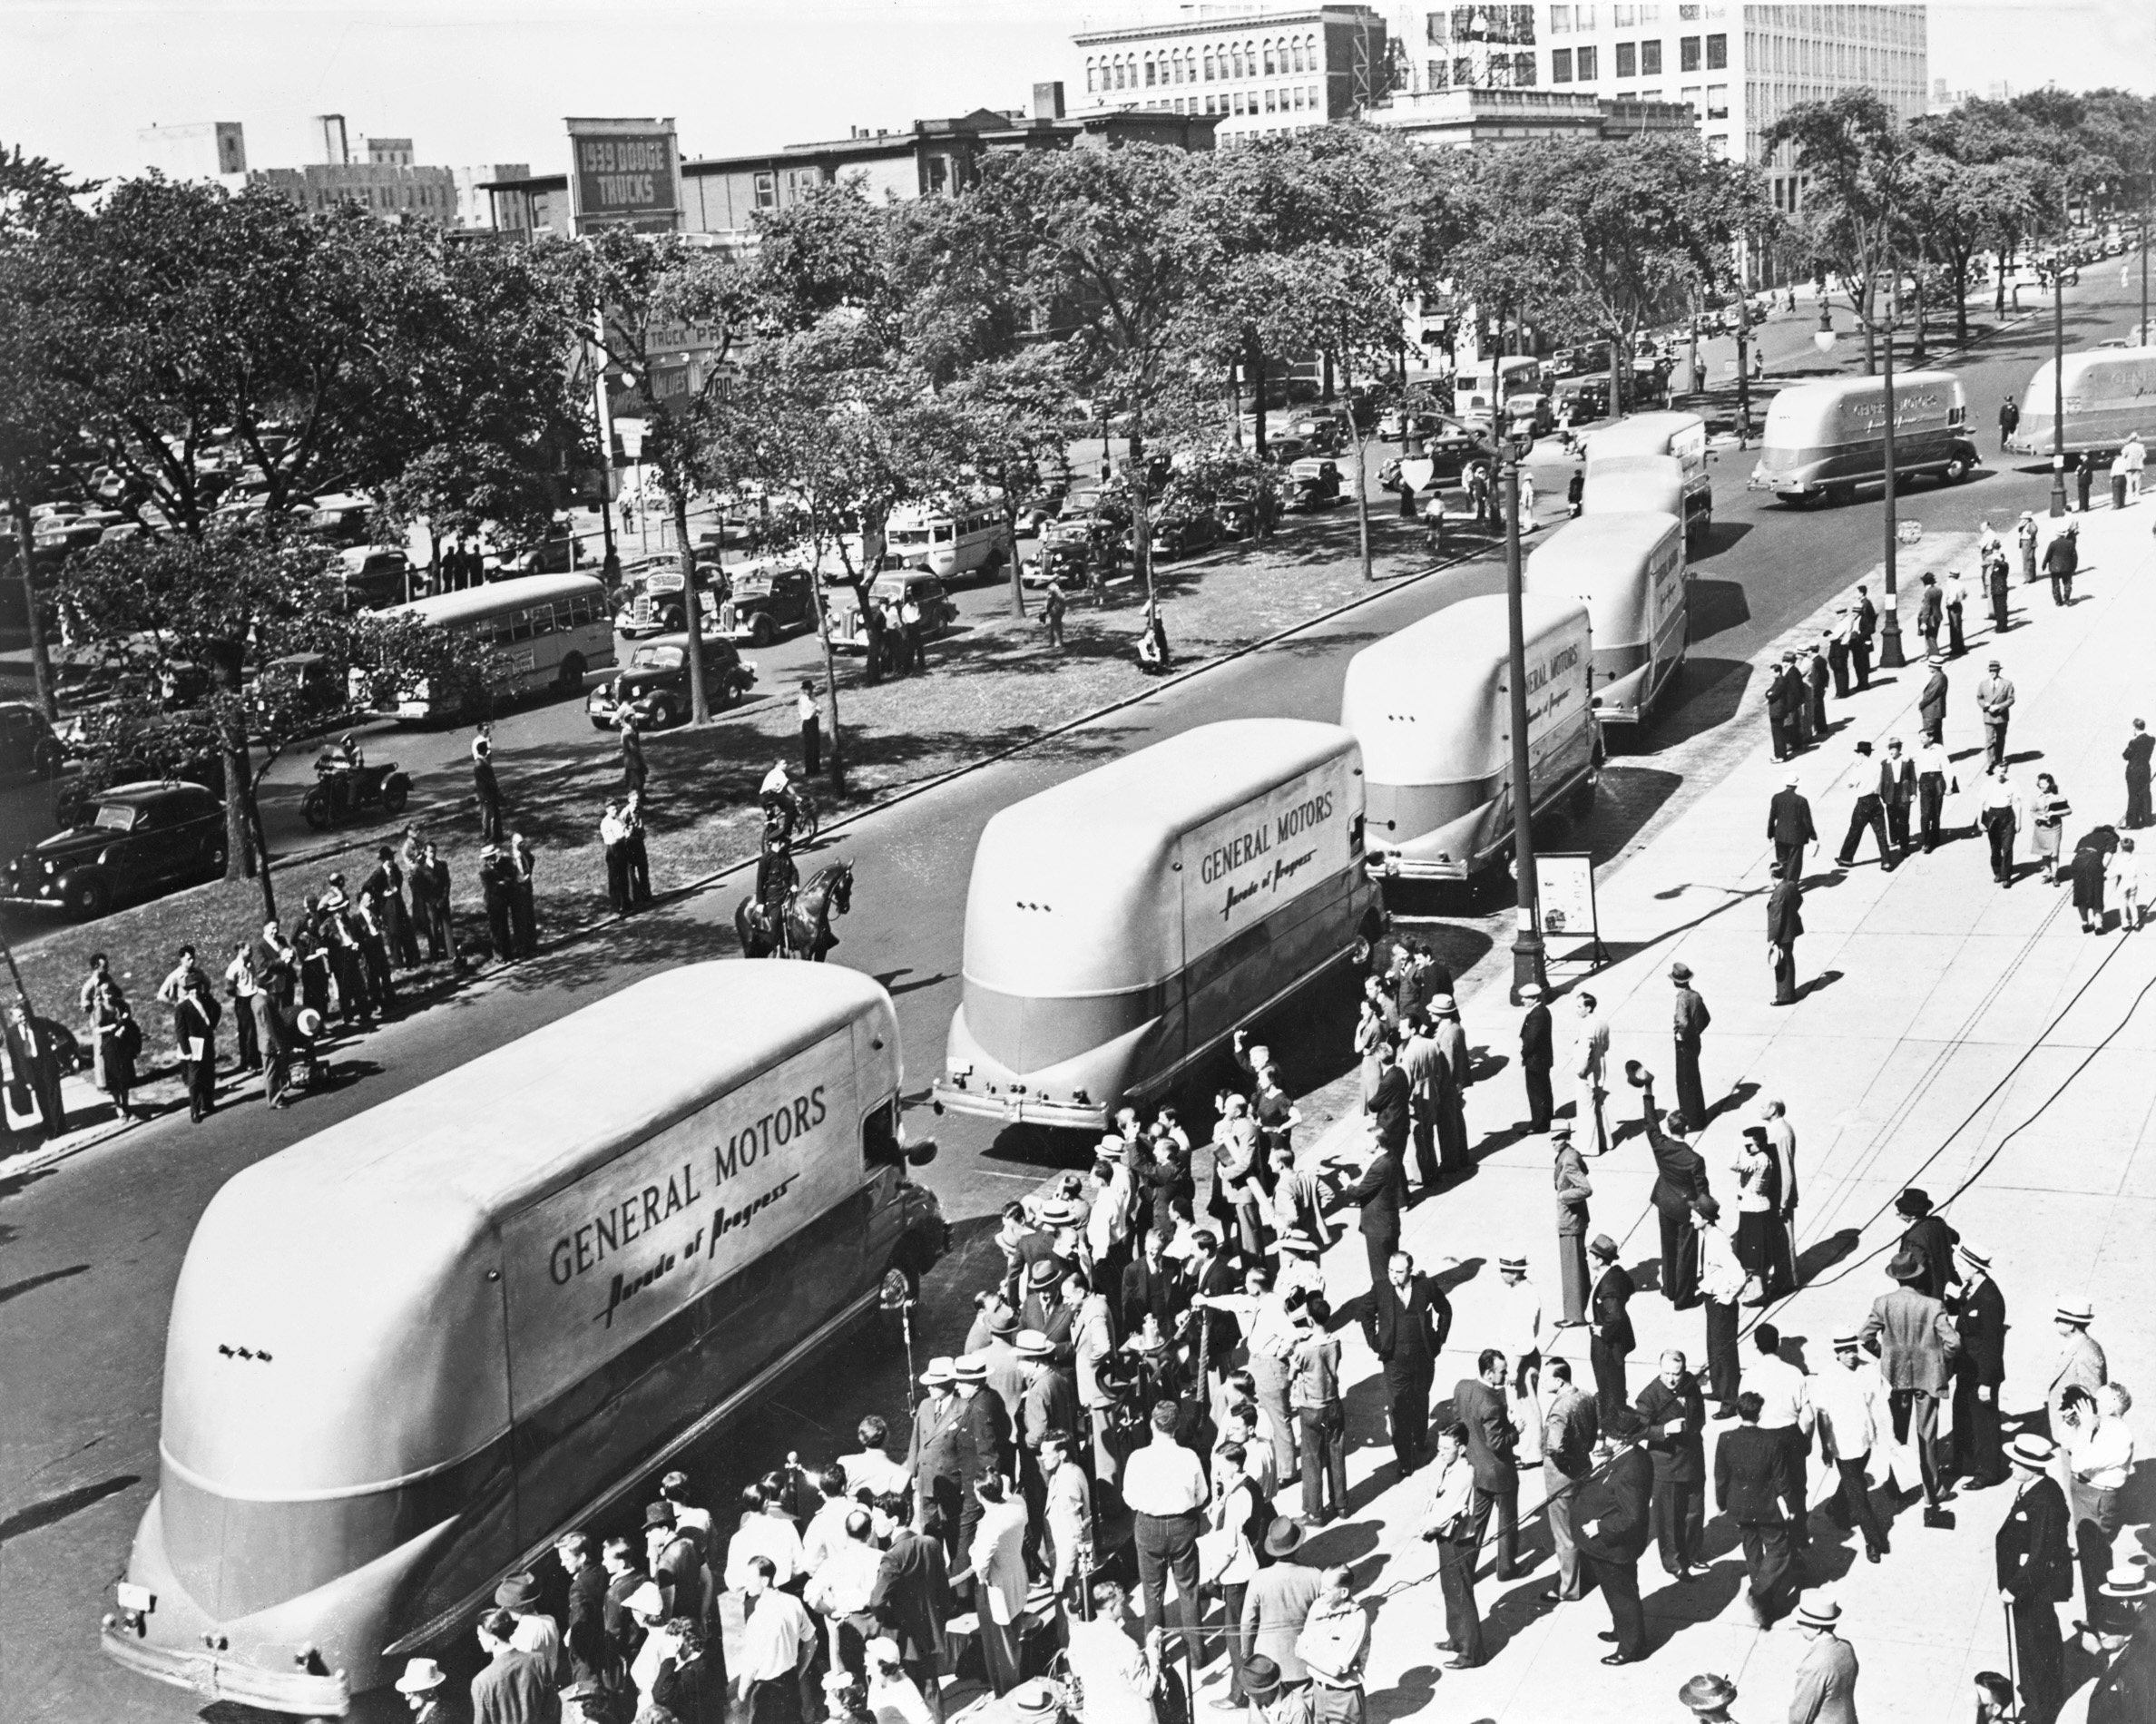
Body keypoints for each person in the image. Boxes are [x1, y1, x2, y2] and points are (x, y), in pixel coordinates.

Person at [1861, 1244, 1962, 1527]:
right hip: (1926, 1378)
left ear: (1896, 1278)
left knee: (1898, 1434)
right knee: (1927, 1436)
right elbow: (1953, 1342)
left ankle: (1897, 1485)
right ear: (1917, 1277)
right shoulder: (1932, 1306)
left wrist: (1884, 1356)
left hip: (1896, 1377)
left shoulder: (1883, 1303)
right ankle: (1934, 1491)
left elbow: (1865, 1336)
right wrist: (1941, 1362)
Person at [1996, 1433, 2073, 1724]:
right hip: (2027, 1585)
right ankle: (2034, 1695)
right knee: (2033, 1644)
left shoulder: (2043, 1500)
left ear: (2031, 1465)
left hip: (2031, 1589)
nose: (2011, 1466)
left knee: (2035, 1647)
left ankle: (2039, 1711)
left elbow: (2041, 1555)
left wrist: (2013, 1589)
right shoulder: (2035, 1487)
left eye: (2016, 1462)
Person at [1575, 1406, 1655, 1665]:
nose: (1603, 1440)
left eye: (1608, 1436)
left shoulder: (1633, 1467)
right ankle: (1622, 1631)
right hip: (1605, 1548)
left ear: (1622, 1439)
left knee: (1623, 1596)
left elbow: (1632, 1516)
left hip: (1613, 1547)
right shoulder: (1624, 1456)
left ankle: (1632, 1648)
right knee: (1616, 1594)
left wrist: (1601, 1527)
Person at [1717, 1390, 1798, 1626]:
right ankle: (1760, 1594)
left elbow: (1721, 1476)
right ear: (1759, 1413)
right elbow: (1782, 1479)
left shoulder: (1725, 1438)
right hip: (1766, 1506)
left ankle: (1764, 1607)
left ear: (1739, 1412)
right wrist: (1791, 1506)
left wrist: (1722, 1503)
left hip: (1739, 1505)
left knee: (1752, 1551)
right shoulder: (1772, 1441)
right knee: (1780, 1550)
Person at [1363, 1250, 1447, 1476]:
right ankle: (1404, 1459)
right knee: (1398, 1409)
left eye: (1399, 1272)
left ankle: (1420, 1443)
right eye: (1390, 1270)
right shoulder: (1380, 1289)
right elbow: (1366, 1313)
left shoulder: (1426, 1286)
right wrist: (1375, 1342)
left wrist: (1438, 1340)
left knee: (1420, 1401)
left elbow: (1445, 1310)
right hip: (1394, 1361)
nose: (1393, 1276)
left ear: (1410, 1270)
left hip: (1422, 1359)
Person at [2058, 1382, 2134, 1631]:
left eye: (2098, 1400)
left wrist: (2086, 1428)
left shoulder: (2119, 1435)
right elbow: (2065, 1442)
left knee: (2097, 1564)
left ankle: (2105, 1623)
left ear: (2114, 1405)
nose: (2091, 1403)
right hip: (2084, 1493)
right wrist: (2072, 1423)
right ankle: (2097, 1617)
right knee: (2090, 1560)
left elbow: (2080, 1462)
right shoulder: (2098, 1423)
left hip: (2097, 1499)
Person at [1634, 1067, 1711, 1307]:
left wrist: (1648, 1089)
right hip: (1686, 1208)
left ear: (1670, 1128)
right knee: (1686, 1254)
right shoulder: (1694, 1160)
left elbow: (1650, 1123)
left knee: (1668, 1248)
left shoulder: (1660, 1145)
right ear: (1686, 1129)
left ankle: (1669, 1288)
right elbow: (1702, 1191)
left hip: (1664, 1202)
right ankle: (1683, 1297)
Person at [1813, 1331, 1890, 1564]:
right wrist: (1826, 1447)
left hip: (1865, 1441)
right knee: (1859, 1496)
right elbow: (1822, 1415)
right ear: (1837, 1353)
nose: (1851, 1355)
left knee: (1852, 1482)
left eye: (1853, 1350)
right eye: (1845, 1351)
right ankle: (1874, 1541)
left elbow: (1881, 1398)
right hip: (1842, 1444)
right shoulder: (1827, 1377)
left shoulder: (1868, 1370)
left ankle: (1836, 1507)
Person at [1417, 1421, 1485, 1668]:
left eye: (1446, 1448)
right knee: (1450, 1589)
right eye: (1439, 1448)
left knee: (1460, 1593)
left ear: (1462, 1448)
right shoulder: (1447, 1467)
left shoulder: (1465, 1474)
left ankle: (1471, 1653)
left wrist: (1429, 1528)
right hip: (1447, 1538)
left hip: (1458, 1539)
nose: (1441, 1453)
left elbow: (1448, 1509)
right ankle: (1456, 1637)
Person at [1637, 1348, 1708, 1583]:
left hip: (1693, 1460)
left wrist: (1693, 1428)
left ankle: (1692, 1552)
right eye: (1666, 1373)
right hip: (1666, 1467)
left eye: (1676, 1373)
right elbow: (1637, 1430)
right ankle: (1675, 1563)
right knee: (1669, 1519)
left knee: (1694, 1512)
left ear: (1683, 1371)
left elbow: (1699, 1412)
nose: (1671, 1378)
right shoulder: (1649, 1396)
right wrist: (1665, 1430)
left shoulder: (1690, 1385)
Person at [1455, 1347, 1523, 1581]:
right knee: (1507, 1523)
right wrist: (1516, 1431)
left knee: (1477, 1523)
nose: (1506, 1376)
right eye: (1502, 1372)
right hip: (1499, 1473)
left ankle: (1467, 1568)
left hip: (1477, 1468)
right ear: (1489, 1373)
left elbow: (1460, 1423)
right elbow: (1498, 1442)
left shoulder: (1462, 1388)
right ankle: (1506, 1568)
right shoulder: (1491, 1404)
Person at [1950, 1242, 2009, 1489]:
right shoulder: (1972, 1288)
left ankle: (1987, 1472)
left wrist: (1986, 1381)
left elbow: (1994, 1344)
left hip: (1982, 1374)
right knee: (1962, 1416)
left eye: (1961, 1265)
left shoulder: (1990, 1298)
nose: (1957, 1268)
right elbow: (1963, 1310)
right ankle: (1963, 1463)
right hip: (1967, 1369)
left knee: (1984, 1424)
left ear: (1975, 1268)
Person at [737, 1556, 816, 1724]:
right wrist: (797, 1671)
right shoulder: (793, 1603)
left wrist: (742, 1692)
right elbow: (812, 1641)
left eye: (750, 1579)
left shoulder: (757, 1619)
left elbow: (751, 1664)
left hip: (766, 1694)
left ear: (765, 1581)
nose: (746, 1583)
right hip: (791, 1684)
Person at [1295, 1566, 1369, 1724]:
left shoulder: (1356, 1618)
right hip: (1319, 1691)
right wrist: (1312, 1654)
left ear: (1343, 1592)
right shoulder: (1318, 1606)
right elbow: (1303, 1641)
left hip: (1343, 1697)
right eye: (1321, 1586)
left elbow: (1334, 1669)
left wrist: (1306, 1654)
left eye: (1327, 1589)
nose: (1321, 1592)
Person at [470, 1608, 560, 1724]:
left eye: (481, 1635)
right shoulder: (538, 1660)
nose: (479, 1638)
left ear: (494, 1639)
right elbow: (553, 1707)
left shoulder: (482, 1682)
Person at [1787, 1591, 1860, 1724]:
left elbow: (1800, 1715)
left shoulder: (1813, 1665)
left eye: (1801, 1621)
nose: (1799, 1625)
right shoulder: (1846, 1647)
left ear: (1816, 1628)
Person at [1587, 1234, 1636, 1424]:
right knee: (1614, 1380)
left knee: (1607, 1382)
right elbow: (1630, 1287)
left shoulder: (1608, 1285)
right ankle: (1616, 1413)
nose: (1588, 1258)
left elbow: (1615, 1315)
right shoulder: (1615, 1273)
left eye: (1591, 1255)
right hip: (1613, 1339)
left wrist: (1603, 1331)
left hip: (1606, 1343)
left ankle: (1612, 1422)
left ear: (1599, 1260)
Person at [4, 999, 67, 1142]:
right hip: (30, 1070)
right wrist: (21, 1078)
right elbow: (15, 1059)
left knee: (53, 1097)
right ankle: (48, 1123)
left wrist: (56, 1046)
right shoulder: (11, 1034)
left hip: (47, 1064)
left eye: (24, 1014)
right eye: (19, 1016)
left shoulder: (40, 1023)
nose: (23, 1018)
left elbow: (62, 1032)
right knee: (41, 1097)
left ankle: (58, 1129)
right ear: (13, 1018)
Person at [1553, 1122, 1592, 1324]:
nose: (1554, 1142)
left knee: (1571, 1269)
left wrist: (1564, 1196)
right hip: (1577, 1218)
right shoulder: (1571, 1154)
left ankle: (1574, 1316)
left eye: (1558, 1138)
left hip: (1570, 1219)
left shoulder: (1568, 1160)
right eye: (1552, 1138)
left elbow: (1585, 1188)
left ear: (1567, 1137)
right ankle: (1583, 1304)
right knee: (1578, 1266)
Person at [1834, 740, 1894, 871]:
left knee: (1855, 831)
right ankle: (1886, 861)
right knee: (1881, 834)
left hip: (1863, 802)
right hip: (1876, 801)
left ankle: (1846, 858)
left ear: (1861, 754)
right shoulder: (1878, 766)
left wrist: (1855, 767)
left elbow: (1851, 783)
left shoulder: (1861, 767)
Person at [89, 976, 138, 1121]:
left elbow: (129, 1020)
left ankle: (127, 1105)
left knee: (126, 1078)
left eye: (110, 992)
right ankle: (119, 1107)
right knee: (115, 1080)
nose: (108, 996)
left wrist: (123, 1028)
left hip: (123, 1044)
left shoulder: (121, 1005)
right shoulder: (100, 1008)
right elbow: (97, 1030)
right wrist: (113, 1028)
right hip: (110, 1045)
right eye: (105, 993)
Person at [176, 972, 220, 1124]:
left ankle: (208, 1103)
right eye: (191, 988)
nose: (195, 991)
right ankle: (195, 1110)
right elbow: (180, 1031)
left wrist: (212, 1025)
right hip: (194, 1046)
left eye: (197, 987)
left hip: (207, 1042)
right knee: (195, 1079)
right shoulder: (183, 1007)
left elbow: (217, 1008)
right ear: (188, 990)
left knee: (209, 1074)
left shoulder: (206, 1000)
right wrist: (187, 1051)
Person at [1570, 990, 1610, 1155]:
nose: (1577, 1010)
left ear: (1588, 1008)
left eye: (1580, 1007)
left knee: (1586, 1108)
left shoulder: (1587, 1026)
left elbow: (1586, 1051)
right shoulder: (1602, 1023)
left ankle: (1589, 1147)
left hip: (1588, 1072)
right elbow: (1606, 1046)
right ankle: (1606, 1141)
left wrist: (1581, 1071)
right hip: (1599, 1068)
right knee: (1599, 1105)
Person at [1518, 982, 1553, 1134]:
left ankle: (1539, 1123)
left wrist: (1524, 1054)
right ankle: (1546, 1118)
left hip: (1536, 1060)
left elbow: (1531, 1040)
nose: (1523, 1001)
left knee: (1536, 1092)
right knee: (1543, 1089)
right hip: (1542, 1059)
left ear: (1534, 998)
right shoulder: (1541, 1011)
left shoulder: (1537, 1015)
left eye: (1526, 998)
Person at [1979, 764, 2024, 886]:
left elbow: (2017, 803)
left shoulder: (2012, 784)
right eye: (1999, 771)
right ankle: (1997, 871)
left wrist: (2018, 821)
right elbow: (1981, 804)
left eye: (2003, 771)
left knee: (2007, 847)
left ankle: (2006, 876)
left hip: (2008, 816)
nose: (2001, 774)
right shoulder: (1987, 785)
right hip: (1993, 817)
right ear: (1994, 771)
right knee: (1995, 847)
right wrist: (1979, 821)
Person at [1769, 861, 1805, 1006]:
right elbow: (1799, 900)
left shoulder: (1779, 892)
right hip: (1791, 929)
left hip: (1782, 933)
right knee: (1788, 960)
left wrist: (1772, 938)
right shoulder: (1790, 885)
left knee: (1782, 963)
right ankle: (1788, 992)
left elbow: (1776, 918)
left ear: (1772, 875)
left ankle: (1784, 996)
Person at [1915, 732, 1957, 854]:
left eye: (1923, 737)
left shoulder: (1939, 748)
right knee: (1925, 812)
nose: (1921, 739)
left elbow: (1946, 766)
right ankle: (1926, 841)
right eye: (1920, 737)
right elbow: (1908, 757)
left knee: (1936, 811)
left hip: (1937, 779)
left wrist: (1949, 786)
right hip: (1924, 780)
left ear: (1931, 738)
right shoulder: (1918, 749)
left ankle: (1935, 838)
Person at [1767, 773, 1816, 877]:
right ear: (1796, 785)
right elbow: (1807, 820)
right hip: (1796, 837)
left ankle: (1782, 882)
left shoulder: (1776, 798)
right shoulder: (1801, 800)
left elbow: (1772, 818)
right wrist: (1812, 835)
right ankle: (1791, 885)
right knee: (1794, 863)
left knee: (1782, 861)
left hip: (1780, 835)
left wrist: (1770, 833)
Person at [1975, 659, 2015, 769]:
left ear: (1999, 671)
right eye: (1990, 670)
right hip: (1988, 716)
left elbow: (2011, 699)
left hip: (2001, 716)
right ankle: (1991, 763)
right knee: (1989, 740)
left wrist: (1998, 707)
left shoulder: (2007, 684)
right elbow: (1979, 698)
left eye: (1994, 670)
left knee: (2000, 739)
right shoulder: (1983, 684)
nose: (1992, 672)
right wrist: (1985, 705)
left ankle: (1999, 759)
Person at [1883, 738, 1917, 856]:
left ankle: (1904, 845)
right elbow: (1882, 781)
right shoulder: (1885, 763)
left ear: (1899, 749)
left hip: (1903, 793)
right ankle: (1893, 838)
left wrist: (1913, 793)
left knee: (1903, 820)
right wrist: (1884, 796)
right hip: (1890, 794)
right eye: (1890, 749)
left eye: (1894, 749)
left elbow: (1913, 778)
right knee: (1891, 818)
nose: (1891, 752)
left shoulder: (1907, 761)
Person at [2071, 830, 2111, 932]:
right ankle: (2098, 925)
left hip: (2078, 862)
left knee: (2081, 895)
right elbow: (2108, 856)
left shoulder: (2085, 837)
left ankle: (2084, 923)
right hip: (2094, 862)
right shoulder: (2111, 838)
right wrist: (2102, 870)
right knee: (2097, 895)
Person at [395, 1657, 452, 1724]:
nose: (406, 1698)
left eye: (411, 1693)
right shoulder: (424, 1713)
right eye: (406, 1693)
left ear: (430, 1690)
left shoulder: (439, 1718)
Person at [474, 732, 505, 844]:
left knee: (492, 815)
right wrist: (495, 789)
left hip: (488, 794)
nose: (487, 751)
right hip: (487, 795)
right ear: (482, 750)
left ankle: (495, 835)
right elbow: (488, 780)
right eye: (486, 749)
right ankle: (489, 836)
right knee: (488, 817)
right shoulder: (480, 764)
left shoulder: (482, 762)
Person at [2043, 520, 2080, 604]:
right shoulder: (2070, 543)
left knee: (2055, 585)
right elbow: (2074, 556)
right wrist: (2074, 566)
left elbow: (2048, 555)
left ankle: (2058, 601)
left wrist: (2044, 564)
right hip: (2067, 567)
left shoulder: (2053, 543)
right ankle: (2067, 598)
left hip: (2055, 567)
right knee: (2067, 583)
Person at [1850, 585, 1877, 689]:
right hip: (1857, 643)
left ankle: (1864, 683)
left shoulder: (1865, 605)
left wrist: (1860, 636)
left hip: (1862, 642)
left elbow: (1870, 625)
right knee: (1858, 664)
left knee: (1863, 664)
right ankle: (1861, 683)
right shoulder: (1863, 606)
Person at [798, 680, 822, 776]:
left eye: (811, 689)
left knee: (816, 746)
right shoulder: (802, 700)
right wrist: (815, 711)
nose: (810, 691)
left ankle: (816, 769)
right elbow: (808, 714)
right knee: (809, 747)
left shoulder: (812, 697)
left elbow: (820, 708)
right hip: (808, 723)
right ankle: (809, 770)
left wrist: (816, 711)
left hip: (815, 722)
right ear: (804, 690)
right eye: (808, 689)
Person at [1917, 570, 1944, 657]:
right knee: (1934, 637)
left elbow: (1926, 609)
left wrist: (1924, 622)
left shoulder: (1928, 592)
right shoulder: (1938, 590)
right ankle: (1930, 653)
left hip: (1930, 618)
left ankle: (1935, 655)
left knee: (1930, 638)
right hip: (1938, 616)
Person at [1944, 567, 1969, 657]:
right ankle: (1959, 646)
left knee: (1954, 628)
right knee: (1957, 626)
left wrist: (1949, 603)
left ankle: (1956, 648)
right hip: (1958, 605)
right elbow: (1966, 594)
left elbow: (1953, 597)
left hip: (1953, 607)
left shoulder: (1954, 584)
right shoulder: (1960, 583)